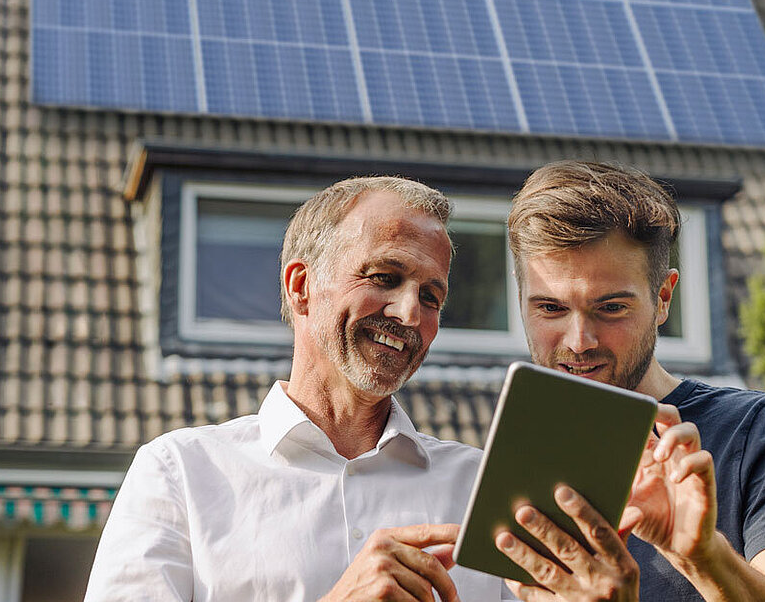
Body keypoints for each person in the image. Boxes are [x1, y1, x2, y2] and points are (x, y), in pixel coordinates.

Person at [85, 176, 512, 601]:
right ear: (301, 287)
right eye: (384, 277)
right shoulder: (180, 474)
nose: (410, 314)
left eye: (431, 298)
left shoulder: (484, 491)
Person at [493, 160, 765, 602]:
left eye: (611, 308)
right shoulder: (503, 457)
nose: (579, 341)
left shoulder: (752, 433)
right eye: (550, 309)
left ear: (663, 298)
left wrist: (704, 560)